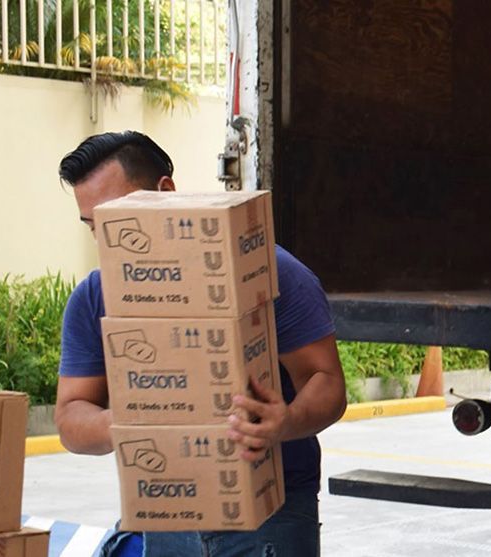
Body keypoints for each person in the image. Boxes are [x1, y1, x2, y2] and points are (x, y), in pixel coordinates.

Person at [54, 131, 347, 557]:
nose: (108, 239)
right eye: (94, 226)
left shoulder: (267, 272)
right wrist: (126, 422)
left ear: (165, 191)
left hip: (272, 518)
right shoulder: (94, 297)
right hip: (167, 514)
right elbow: (70, 415)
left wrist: (286, 421)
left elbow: (327, 381)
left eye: (118, 218)